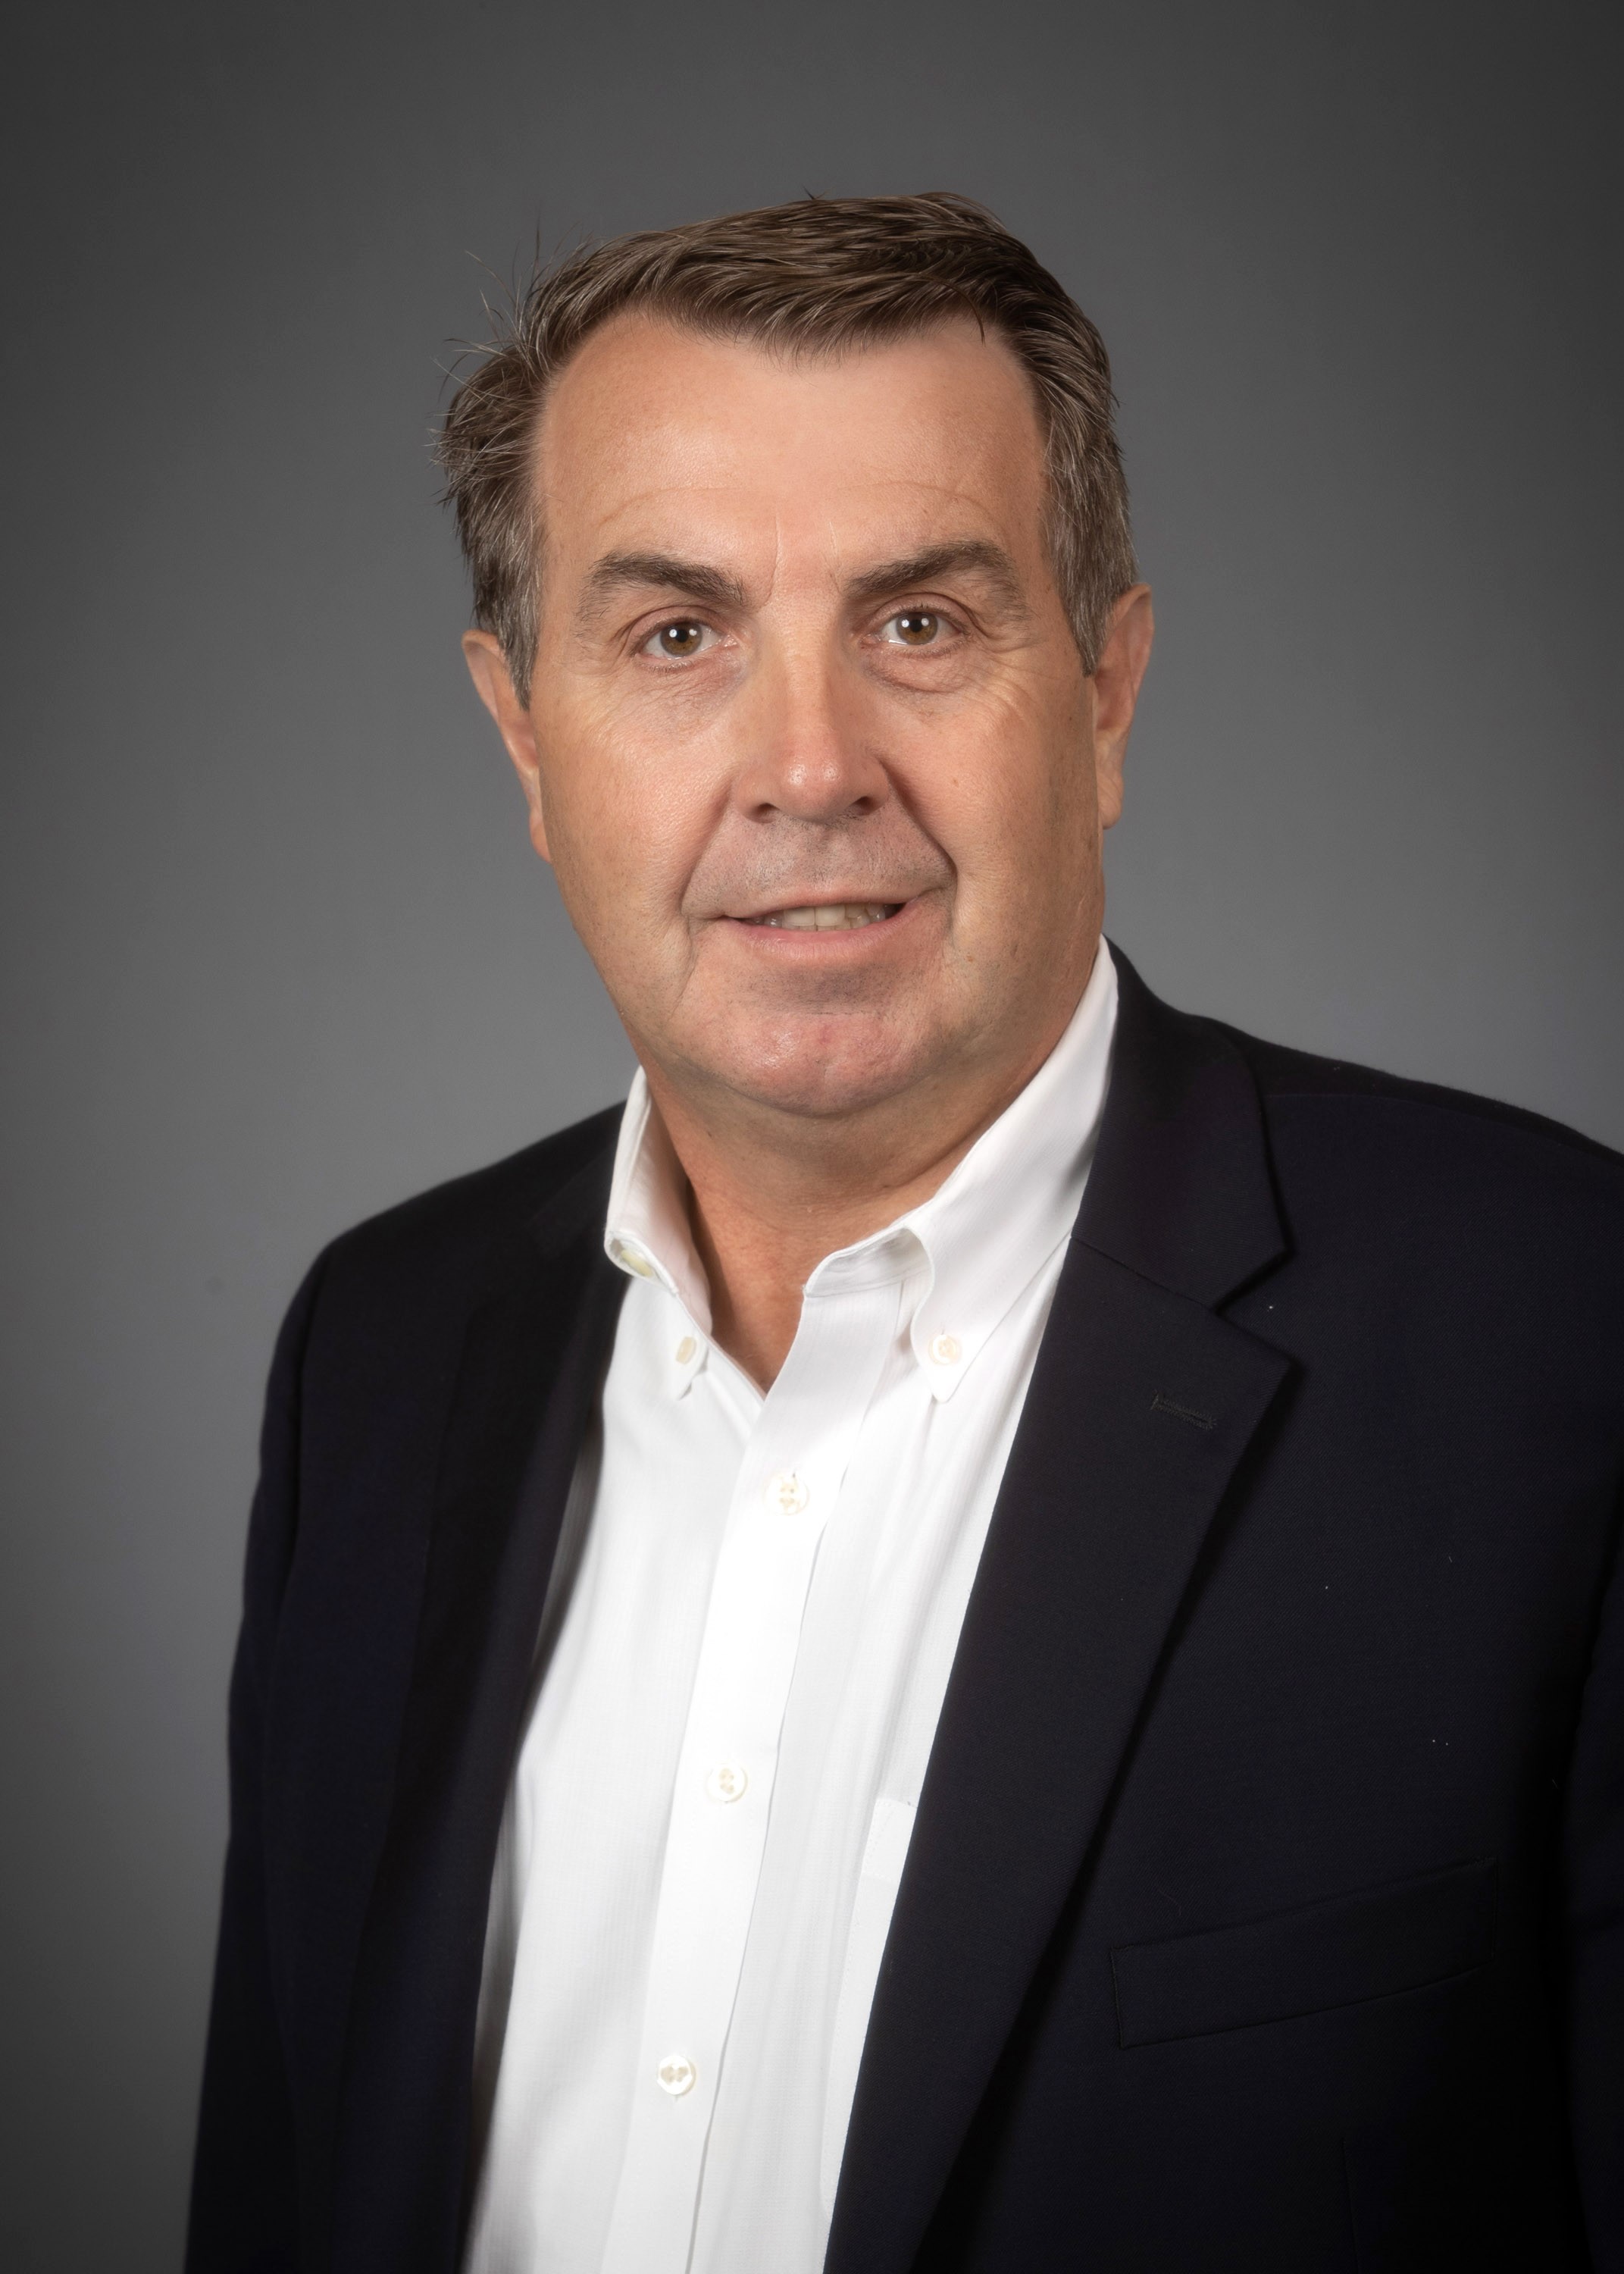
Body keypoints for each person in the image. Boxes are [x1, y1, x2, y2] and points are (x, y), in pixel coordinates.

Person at [186, 194, 1623, 2274]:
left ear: (1106, 693)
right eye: (676, 636)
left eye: (923, 625)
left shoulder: (1558, 1338)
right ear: (524, 737)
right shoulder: (377, 1355)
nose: (808, 767)